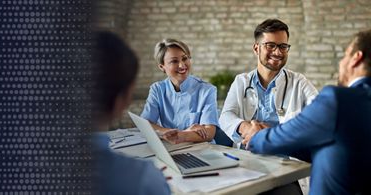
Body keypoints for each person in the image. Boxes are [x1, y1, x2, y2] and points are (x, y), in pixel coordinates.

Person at [245, 29, 371, 195]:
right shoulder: (243, 80)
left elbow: (271, 140)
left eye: (345, 55)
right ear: (257, 49)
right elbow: (340, 148)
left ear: (356, 58)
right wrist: (275, 135)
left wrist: (256, 136)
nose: (341, 63)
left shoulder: (337, 100)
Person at [90, 31, 170, 195]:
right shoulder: (142, 179)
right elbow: (147, 121)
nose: (182, 65)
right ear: (124, 100)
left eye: (185, 58)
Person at [219, 19, 318, 147]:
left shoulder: (299, 82)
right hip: (246, 158)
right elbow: (225, 116)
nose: (278, 52)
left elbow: (319, 114)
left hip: (285, 159)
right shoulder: (241, 81)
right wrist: (246, 128)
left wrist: (272, 134)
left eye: (283, 46)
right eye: (270, 45)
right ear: (256, 49)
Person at [141, 38, 219, 144]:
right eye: (174, 61)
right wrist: (173, 133)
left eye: (185, 58)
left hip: (200, 150)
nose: (182, 65)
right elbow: (146, 124)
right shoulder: (157, 89)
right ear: (162, 66)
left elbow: (209, 133)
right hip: (170, 148)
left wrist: (180, 135)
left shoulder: (207, 90)